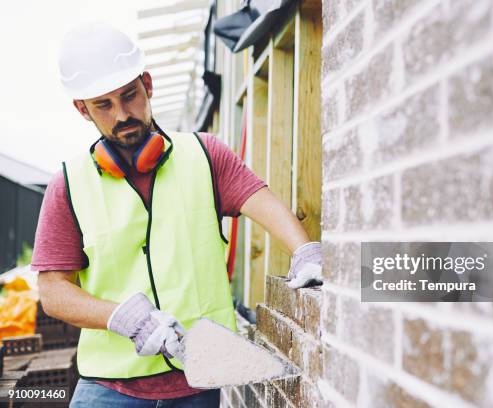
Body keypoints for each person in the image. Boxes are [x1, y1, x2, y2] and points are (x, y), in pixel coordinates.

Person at [31, 22, 323, 408]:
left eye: (129, 95)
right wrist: (120, 317)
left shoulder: (204, 156)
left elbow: (261, 200)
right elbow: (53, 292)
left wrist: (304, 250)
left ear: (147, 85)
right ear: (82, 110)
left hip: (197, 386)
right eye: (104, 104)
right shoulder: (68, 185)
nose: (122, 115)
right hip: (109, 388)